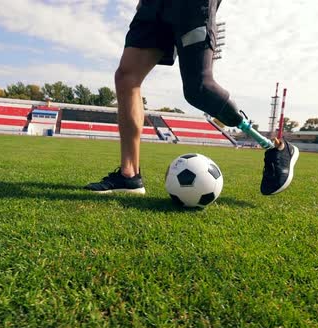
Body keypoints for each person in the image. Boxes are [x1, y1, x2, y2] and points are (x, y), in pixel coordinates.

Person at [85, 0, 299, 196]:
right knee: (126, 77)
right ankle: (129, 175)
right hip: (153, 5)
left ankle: (276, 147)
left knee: (199, 88)